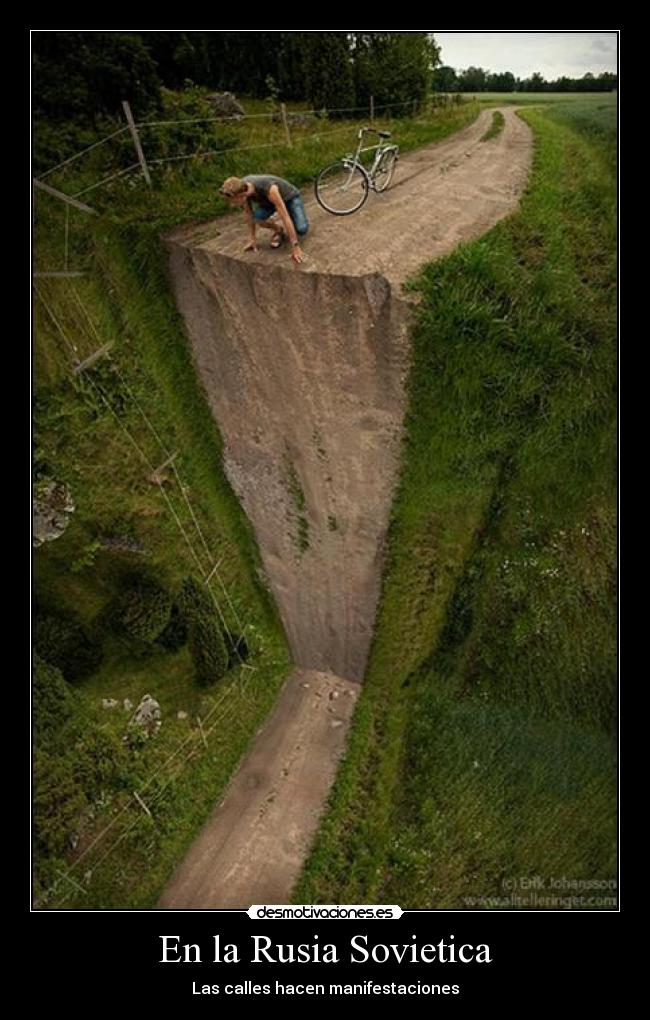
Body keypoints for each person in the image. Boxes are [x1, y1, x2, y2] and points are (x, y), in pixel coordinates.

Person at [220, 174, 309, 264]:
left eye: (233, 200)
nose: (232, 204)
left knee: (302, 229)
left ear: (241, 195)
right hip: (268, 203)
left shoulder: (269, 188)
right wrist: (253, 239)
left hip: (290, 198)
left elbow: (284, 216)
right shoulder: (241, 187)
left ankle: (294, 214)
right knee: (257, 218)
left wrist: (295, 246)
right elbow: (249, 214)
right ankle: (278, 230)